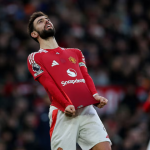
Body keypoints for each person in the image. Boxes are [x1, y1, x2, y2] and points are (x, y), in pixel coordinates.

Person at [27, 11, 111, 150]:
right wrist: (66, 104)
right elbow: (48, 83)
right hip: (62, 111)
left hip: (86, 109)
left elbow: (85, 76)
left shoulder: (75, 52)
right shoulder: (35, 57)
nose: (46, 21)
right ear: (34, 34)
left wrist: (94, 96)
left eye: (47, 19)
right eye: (40, 21)